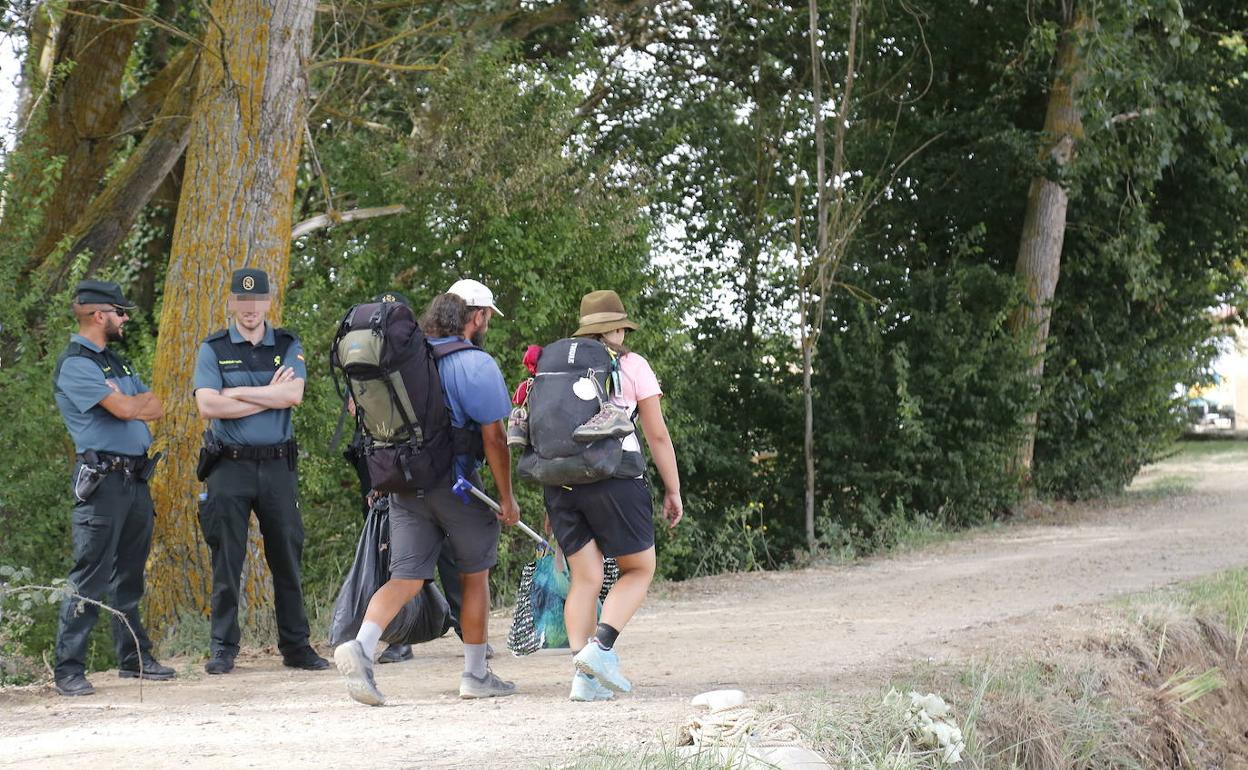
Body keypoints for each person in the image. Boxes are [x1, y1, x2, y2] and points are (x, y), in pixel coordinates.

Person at [334, 279, 519, 705]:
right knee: (474, 575)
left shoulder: (406, 359)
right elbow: (494, 439)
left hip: (404, 484)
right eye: (487, 317)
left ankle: (361, 646)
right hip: (457, 486)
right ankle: (475, 674)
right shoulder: (475, 365)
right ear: (477, 317)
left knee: (405, 578)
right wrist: (506, 497)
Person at [548, 290, 683, 702]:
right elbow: (656, 435)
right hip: (616, 478)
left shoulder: (556, 366)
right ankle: (600, 648)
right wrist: (673, 489)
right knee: (639, 569)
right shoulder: (631, 364)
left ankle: (583, 678)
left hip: (560, 483)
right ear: (618, 330)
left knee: (586, 578)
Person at [193, 268, 328, 674]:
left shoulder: (286, 344)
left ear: (268, 302)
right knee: (227, 561)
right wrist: (270, 395)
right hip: (227, 467)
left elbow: (294, 394)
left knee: (287, 557)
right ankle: (223, 648)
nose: (250, 308)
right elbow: (208, 405)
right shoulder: (213, 348)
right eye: (242, 300)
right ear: (232, 302)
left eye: (257, 300)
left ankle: (296, 646)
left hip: (276, 467)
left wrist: (236, 392)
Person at [51, 280, 175, 696]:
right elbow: (125, 408)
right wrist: (127, 404)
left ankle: (133, 659)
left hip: (135, 480)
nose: (125, 319)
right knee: (90, 577)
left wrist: (128, 404)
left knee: (130, 576)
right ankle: (69, 670)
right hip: (102, 483)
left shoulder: (114, 362)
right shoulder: (76, 364)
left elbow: (156, 406)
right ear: (99, 314)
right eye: (120, 312)